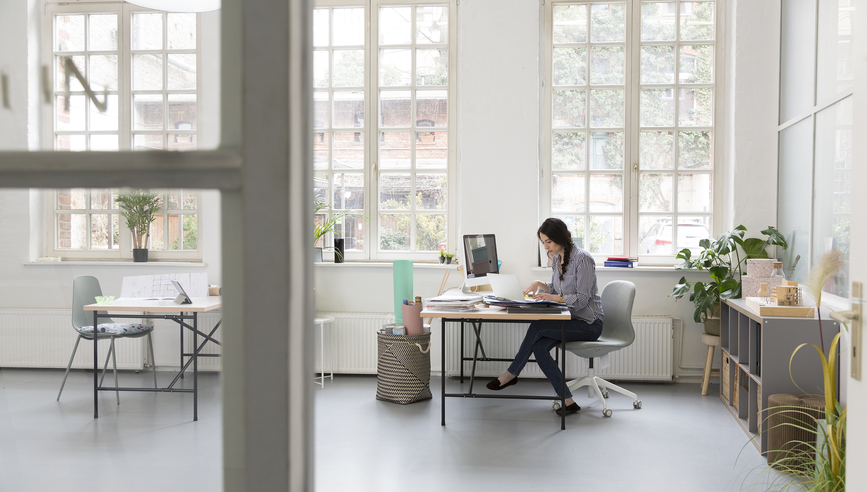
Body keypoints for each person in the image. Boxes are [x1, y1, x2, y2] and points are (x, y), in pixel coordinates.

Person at [485, 217, 604, 416]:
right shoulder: (557, 258)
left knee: (538, 326)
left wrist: (555, 298)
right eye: (543, 242)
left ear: (560, 238)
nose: (546, 246)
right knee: (539, 348)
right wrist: (538, 284)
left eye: (548, 241)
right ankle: (568, 401)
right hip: (569, 319)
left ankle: (511, 373)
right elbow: (556, 289)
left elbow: (582, 299)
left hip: (589, 323)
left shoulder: (583, 259)